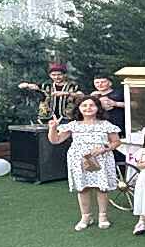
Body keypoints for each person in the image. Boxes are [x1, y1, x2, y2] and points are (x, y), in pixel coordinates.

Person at [48, 95, 121, 231]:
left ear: (98, 108)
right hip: (79, 160)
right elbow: (55, 140)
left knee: (101, 188)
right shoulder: (73, 125)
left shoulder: (106, 125)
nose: (88, 108)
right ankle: (86, 216)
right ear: (79, 108)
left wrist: (104, 148)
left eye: (92, 105)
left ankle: (103, 216)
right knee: (83, 188)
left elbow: (116, 142)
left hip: (100, 158)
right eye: (84, 105)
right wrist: (53, 128)